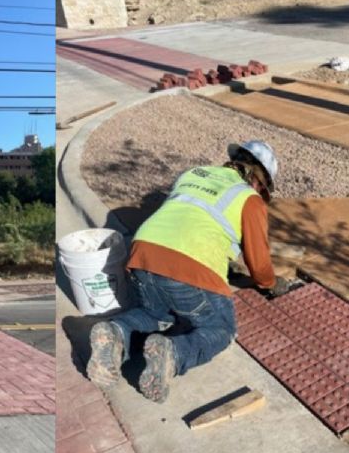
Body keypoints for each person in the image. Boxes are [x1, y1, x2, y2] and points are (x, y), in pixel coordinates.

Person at [87, 140, 291, 403]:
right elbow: (258, 263)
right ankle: (173, 353)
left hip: (143, 257)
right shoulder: (249, 199)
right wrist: (271, 283)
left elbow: (188, 219)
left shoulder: (192, 174)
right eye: (263, 190)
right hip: (189, 268)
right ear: (258, 180)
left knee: (157, 315)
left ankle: (116, 332)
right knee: (221, 328)